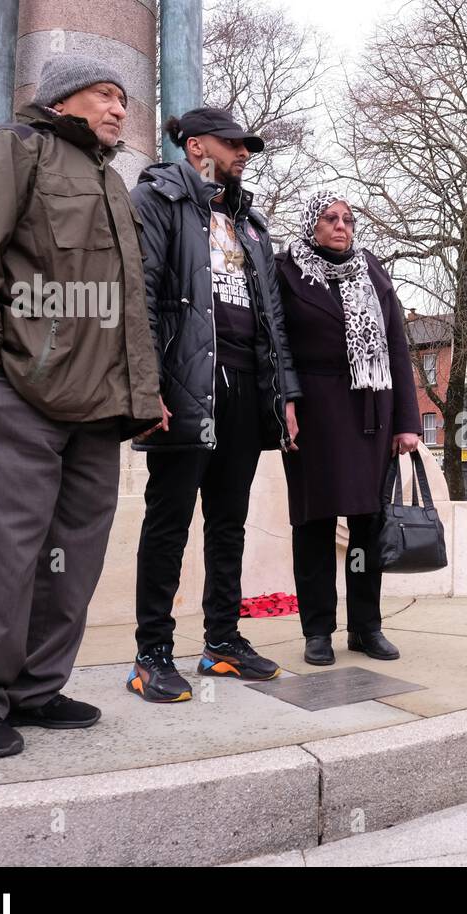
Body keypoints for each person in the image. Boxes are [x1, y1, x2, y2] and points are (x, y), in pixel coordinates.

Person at [0, 54, 162, 758]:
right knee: (5, 553)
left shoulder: (112, 182)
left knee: (71, 557)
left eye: (125, 100)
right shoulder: (7, 149)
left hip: (98, 408)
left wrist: (141, 396)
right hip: (15, 393)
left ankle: (33, 688)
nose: (120, 109)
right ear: (62, 98)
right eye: (105, 95)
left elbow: (125, 309)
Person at [125, 108, 302, 702]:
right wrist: (146, 384)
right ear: (196, 145)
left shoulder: (250, 222)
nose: (244, 153)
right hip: (184, 385)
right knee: (169, 520)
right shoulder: (158, 199)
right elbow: (141, 292)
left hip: (247, 390)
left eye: (247, 145)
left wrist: (286, 396)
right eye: (233, 144)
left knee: (228, 521)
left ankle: (222, 643)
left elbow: (272, 318)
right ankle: (151, 654)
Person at [275, 192, 422, 666]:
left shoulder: (372, 270)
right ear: (310, 224)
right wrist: (283, 403)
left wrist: (407, 423)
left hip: (369, 412)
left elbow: (397, 347)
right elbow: (276, 345)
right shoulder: (285, 271)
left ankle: (365, 627)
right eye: (330, 218)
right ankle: (317, 630)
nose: (342, 226)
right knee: (313, 522)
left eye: (348, 220)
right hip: (312, 412)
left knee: (368, 521)